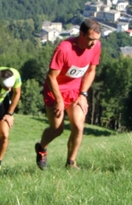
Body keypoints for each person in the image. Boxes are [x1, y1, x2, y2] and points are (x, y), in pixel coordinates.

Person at [35, 18, 102, 170]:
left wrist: (83, 94)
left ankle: (71, 163)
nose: (93, 43)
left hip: (75, 90)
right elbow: (51, 77)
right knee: (57, 129)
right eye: (91, 39)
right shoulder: (64, 49)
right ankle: (41, 147)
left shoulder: (96, 46)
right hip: (55, 90)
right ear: (81, 34)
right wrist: (59, 99)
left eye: (96, 40)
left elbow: (91, 71)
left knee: (78, 126)